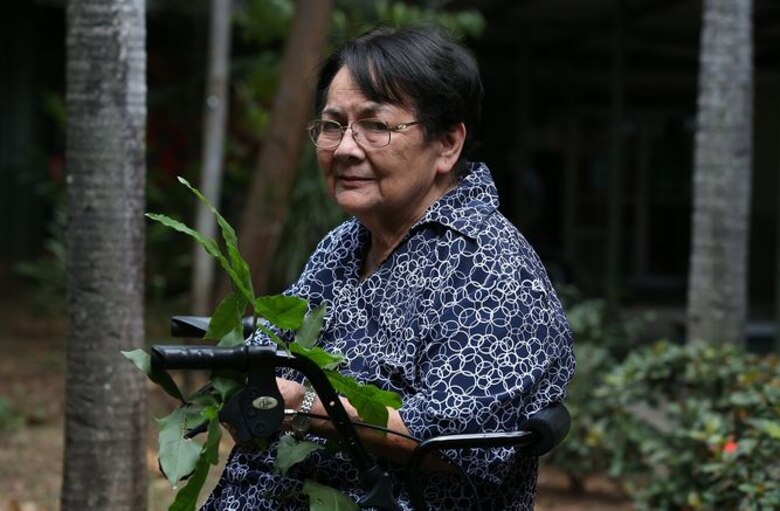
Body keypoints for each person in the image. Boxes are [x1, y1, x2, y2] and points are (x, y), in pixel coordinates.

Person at [202, 25, 574, 511]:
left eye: (375, 126)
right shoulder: (346, 242)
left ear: (447, 144)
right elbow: (274, 346)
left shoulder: (491, 268)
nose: (345, 148)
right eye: (333, 125)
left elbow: (459, 435)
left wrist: (304, 407)